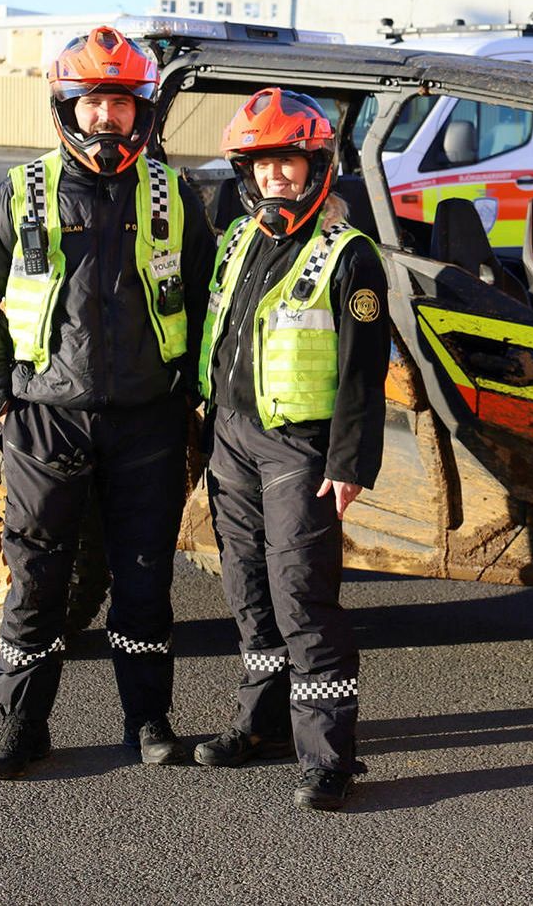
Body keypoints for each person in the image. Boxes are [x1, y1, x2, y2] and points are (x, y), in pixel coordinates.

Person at [0, 25, 214, 780]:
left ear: (142, 112)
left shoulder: (172, 192)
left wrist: (191, 392)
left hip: (147, 421)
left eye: (121, 105)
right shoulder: (24, 189)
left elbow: (207, 294)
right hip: (45, 416)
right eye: (94, 103)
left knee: (143, 578)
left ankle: (148, 721)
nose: (108, 118)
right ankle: (20, 726)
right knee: (36, 578)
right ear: (69, 107)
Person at [192, 88, 389, 811]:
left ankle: (327, 756)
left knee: (303, 596)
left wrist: (348, 462)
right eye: (264, 165)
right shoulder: (240, 238)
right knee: (247, 592)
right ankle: (261, 724)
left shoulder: (350, 256)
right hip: (233, 440)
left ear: (317, 167)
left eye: (290, 164)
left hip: (299, 451)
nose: (277, 178)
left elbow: (365, 369)